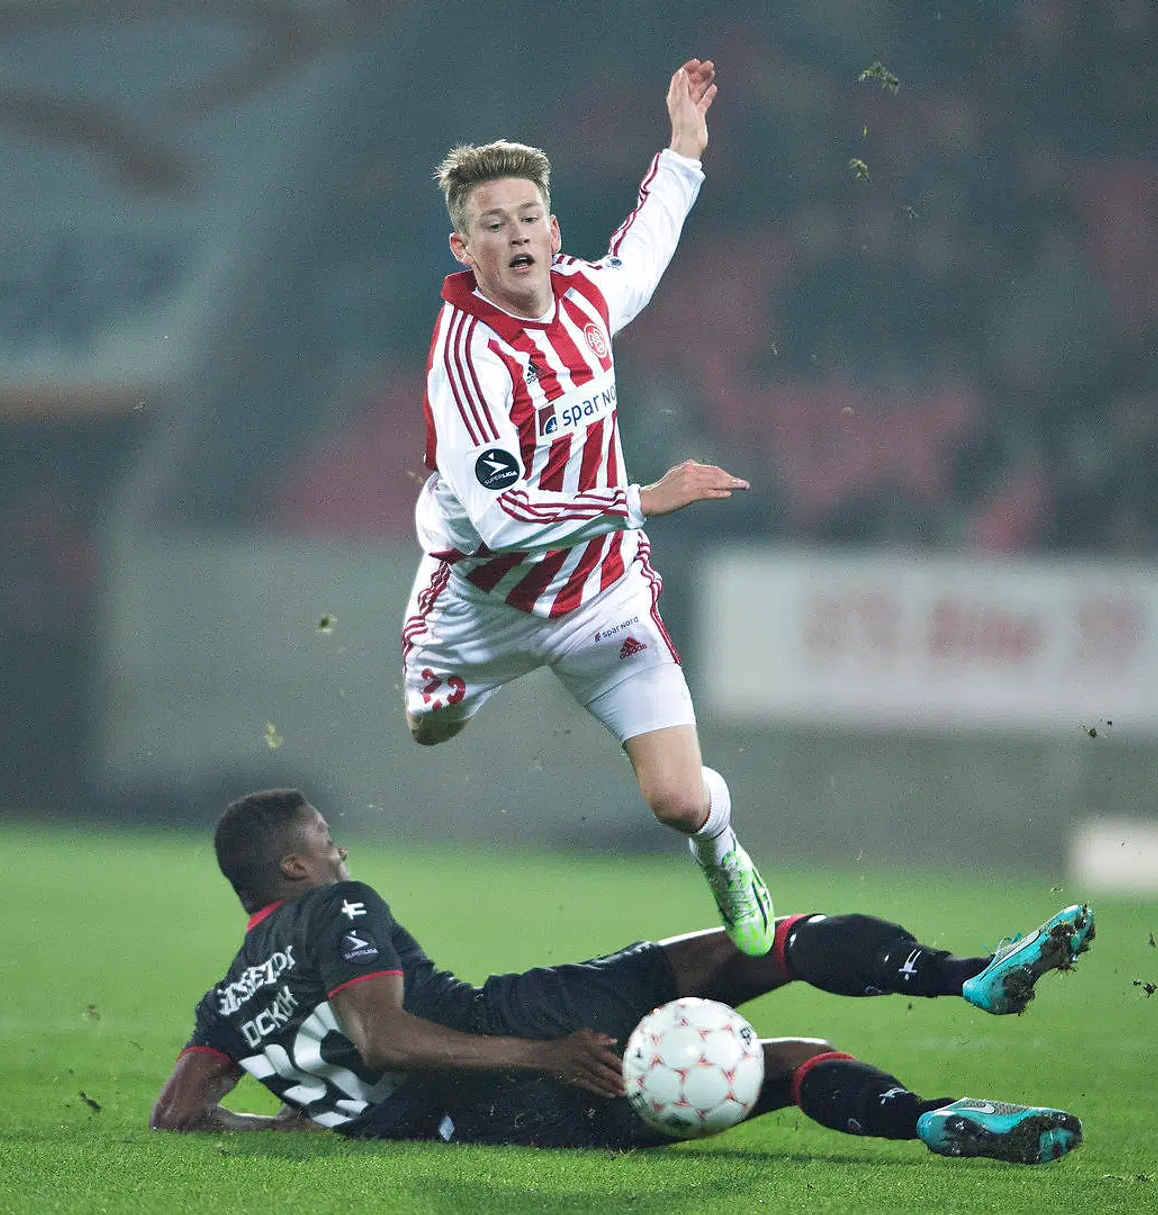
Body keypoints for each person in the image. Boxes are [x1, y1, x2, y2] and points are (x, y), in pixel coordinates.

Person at [152, 790, 1095, 1163]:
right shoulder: (336, 907)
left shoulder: (227, 1001)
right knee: (759, 943)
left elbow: (179, 1112)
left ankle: (933, 1120)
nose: (340, 849)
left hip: (502, 1134)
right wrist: (545, 1049)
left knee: (785, 1062)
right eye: (327, 841)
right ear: (293, 867)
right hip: (528, 1028)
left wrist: (293, 1117)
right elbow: (383, 1034)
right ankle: (969, 977)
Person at [398, 58, 775, 957]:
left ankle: (724, 854)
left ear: (552, 227)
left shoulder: (582, 298)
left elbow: (644, 249)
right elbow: (502, 521)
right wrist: (641, 498)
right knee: (428, 727)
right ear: (465, 248)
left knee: (678, 800)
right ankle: (450, 668)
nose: (517, 233)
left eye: (530, 216)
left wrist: (684, 148)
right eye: (494, 224)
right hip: (484, 599)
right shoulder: (470, 366)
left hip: (601, 595)